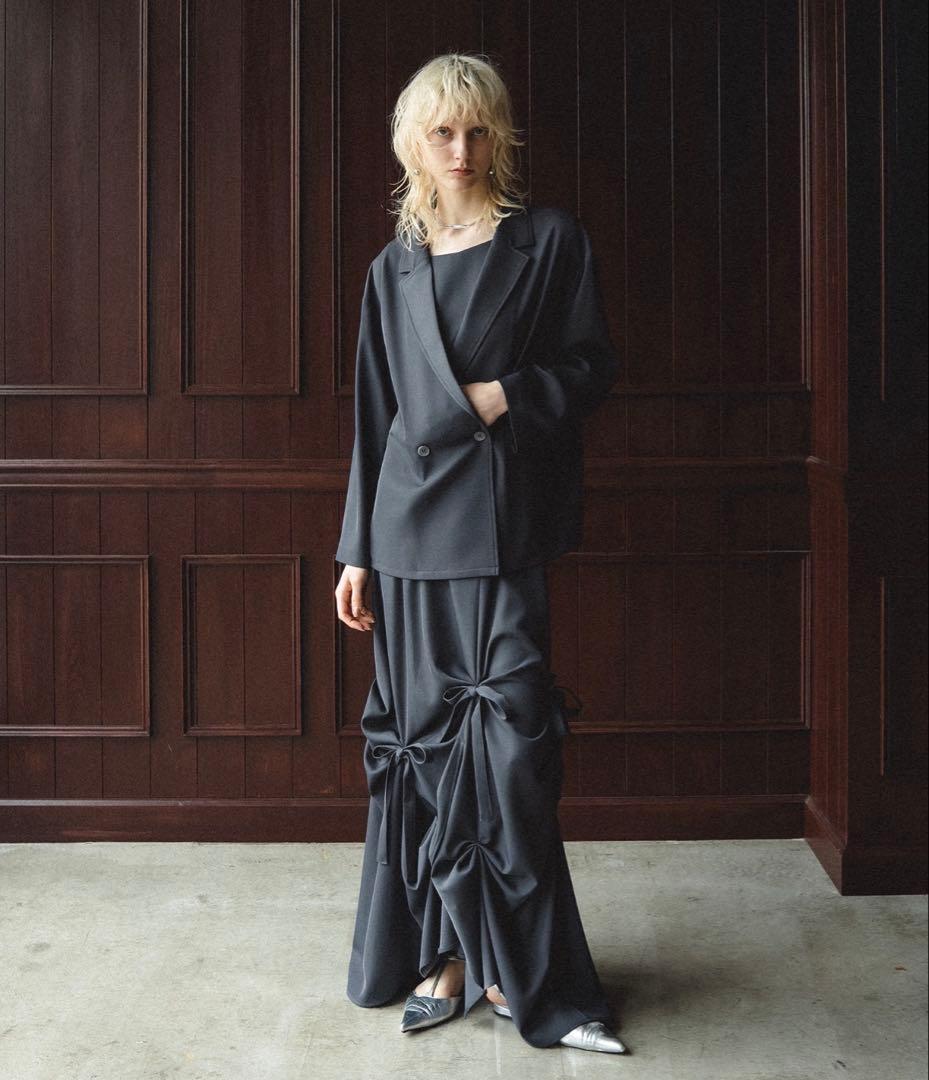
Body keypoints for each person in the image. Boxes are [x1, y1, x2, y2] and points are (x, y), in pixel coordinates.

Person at [334, 52, 627, 1055]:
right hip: (405, 539)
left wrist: (506, 395)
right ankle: (445, 960)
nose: (459, 150)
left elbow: (591, 366)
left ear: (498, 135)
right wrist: (353, 552)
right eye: (440, 132)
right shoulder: (392, 269)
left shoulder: (547, 243)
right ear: (411, 144)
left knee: (508, 761)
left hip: (502, 536)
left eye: (476, 130)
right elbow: (373, 422)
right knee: (423, 759)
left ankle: (526, 976)